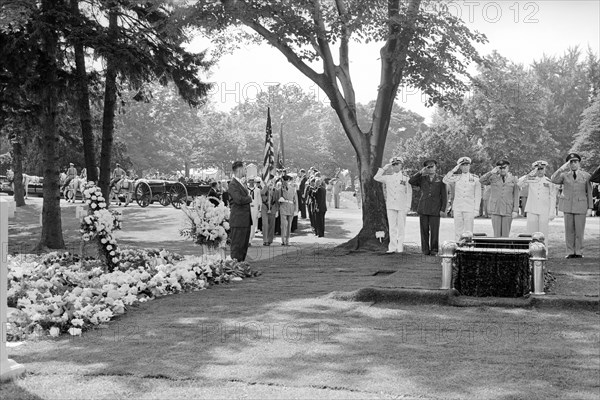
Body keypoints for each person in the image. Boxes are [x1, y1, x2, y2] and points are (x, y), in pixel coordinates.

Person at [550, 153, 593, 258]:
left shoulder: (586, 176)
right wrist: (561, 168)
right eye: (571, 162)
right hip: (568, 206)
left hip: (581, 205)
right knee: (569, 231)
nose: (573, 164)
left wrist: (590, 207)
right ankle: (569, 252)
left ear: (579, 163)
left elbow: (590, 192)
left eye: (575, 162)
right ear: (568, 164)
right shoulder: (564, 175)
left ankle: (578, 252)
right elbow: (553, 179)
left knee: (579, 231)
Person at [409, 159, 447, 256]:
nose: (430, 168)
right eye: (428, 167)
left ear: (436, 167)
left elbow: (444, 196)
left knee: (435, 230)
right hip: (424, 207)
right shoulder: (422, 178)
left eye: (432, 166)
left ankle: (434, 250)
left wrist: (443, 209)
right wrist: (420, 172)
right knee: (424, 230)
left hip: (435, 208)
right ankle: (425, 250)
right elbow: (411, 181)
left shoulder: (441, 179)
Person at [374, 157, 412, 253]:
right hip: (391, 205)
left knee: (401, 227)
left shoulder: (406, 178)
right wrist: (384, 168)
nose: (395, 166)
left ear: (401, 165)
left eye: (397, 164)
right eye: (393, 165)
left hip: (402, 205)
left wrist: (408, 206)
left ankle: (400, 248)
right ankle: (392, 247)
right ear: (391, 166)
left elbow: (409, 193)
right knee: (392, 227)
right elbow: (376, 177)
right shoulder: (388, 177)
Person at [443, 156, 481, 240]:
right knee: (458, 230)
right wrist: (453, 170)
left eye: (467, 165)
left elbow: (478, 195)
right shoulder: (456, 177)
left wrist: (476, 209)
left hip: (469, 207)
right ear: (460, 167)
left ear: (469, 166)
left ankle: (468, 248)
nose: (465, 167)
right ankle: (458, 246)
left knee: (469, 231)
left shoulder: (475, 178)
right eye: (463, 165)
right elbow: (445, 180)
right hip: (458, 207)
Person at [479, 160, 520, 237]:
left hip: (508, 209)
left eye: (504, 168)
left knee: (505, 235)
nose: (503, 170)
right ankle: (497, 249)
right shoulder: (493, 178)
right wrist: (491, 172)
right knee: (496, 235)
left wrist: (515, 210)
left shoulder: (513, 179)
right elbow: (481, 180)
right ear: (497, 169)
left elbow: (516, 195)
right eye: (500, 168)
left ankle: (505, 249)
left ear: (508, 168)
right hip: (496, 209)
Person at [518, 160, 557, 240]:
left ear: (545, 169)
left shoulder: (549, 181)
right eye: (538, 169)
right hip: (532, 209)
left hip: (544, 210)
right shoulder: (530, 179)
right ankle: (531, 251)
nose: (540, 171)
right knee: (531, 233)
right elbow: (519, 183)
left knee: (543, 233)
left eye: (541, 168)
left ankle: (544, 251)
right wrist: (530, 174)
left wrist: (551, 212)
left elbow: (552, 197)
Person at [227, 161, 252, 261]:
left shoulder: (241, 183)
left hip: (245, 220)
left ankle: (241, 266)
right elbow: (238, 199)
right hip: (238, 220)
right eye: (244, 168)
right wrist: (249, 198)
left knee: (243, 247)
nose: (245, 171)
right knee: (237, 247)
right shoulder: (233, 184)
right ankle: (235, 267)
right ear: (239, 170)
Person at [278, 175, 298, 245]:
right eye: (283, 181)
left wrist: (296, 209)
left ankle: (287, 240)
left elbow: (296, 199)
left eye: (286, 181)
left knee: (289, 225)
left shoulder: (293, 188)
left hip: (291, 207)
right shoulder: (280, 189)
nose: (284, 182)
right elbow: (278, 198)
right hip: (283, 207)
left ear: (288, 181)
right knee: (283, 224)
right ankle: (283, 240)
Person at [260, 175, 280, 246]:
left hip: (273, 208)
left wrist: (277, 210)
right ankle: (265, 240)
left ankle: (270, 240)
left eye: (272, 181)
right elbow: (261, 193)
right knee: (265, 224)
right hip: (264, 208)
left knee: (271, 225)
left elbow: (277, 200)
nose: (271, 183)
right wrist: (266, 187)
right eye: (269, 181)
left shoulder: (276, 190)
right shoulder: (264, 189)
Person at [249, 177, 262, 244]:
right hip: (248, 209)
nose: (251, 182)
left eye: (252, 181)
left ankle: (251, 239)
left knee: (253, 224)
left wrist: (259, 211)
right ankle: (248, 238)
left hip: (255, 208)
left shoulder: (257, 190)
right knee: (248, 224)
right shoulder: (246, 190)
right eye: (250, 181)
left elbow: (260, 201)